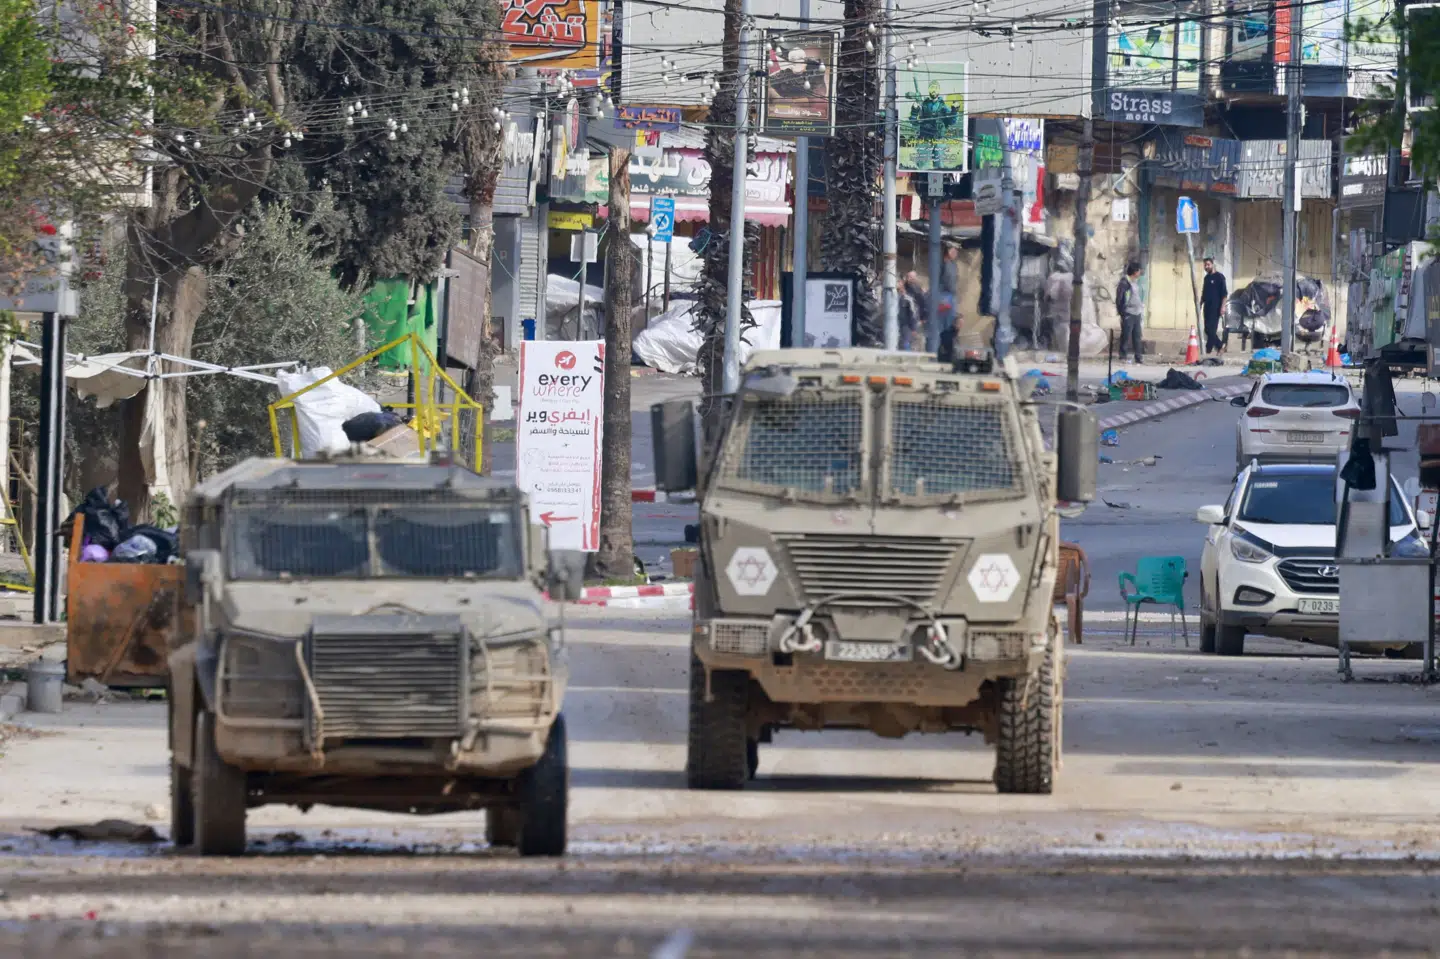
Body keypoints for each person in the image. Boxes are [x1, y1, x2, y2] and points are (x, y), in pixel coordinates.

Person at [1115, 260, 1145, 364]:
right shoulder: (1125, 283)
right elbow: (1119, 299)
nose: (1140, 272)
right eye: (1139, 270)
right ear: (1135, 271)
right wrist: (1122, 313)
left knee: (1137, 336)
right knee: (1126, 336)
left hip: (1137, 313)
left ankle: (1138, 357)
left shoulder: (1135, 282)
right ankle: (1123, 356)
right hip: (1128, 313)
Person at [1201, 256, 1229, 354]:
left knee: (1211, 330)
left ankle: (1209, 350)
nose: (1206, 267)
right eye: (1205, 265)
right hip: (1207, 308)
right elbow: (1204, 293)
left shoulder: (1220, 277)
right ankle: (1219, 346)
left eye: (1208, 265)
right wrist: (1200, 303)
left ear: (1212, 264)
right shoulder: (1206, 278)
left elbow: (1224, 294)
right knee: (1207, 330)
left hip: (1216, 308)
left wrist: (1223, 307)